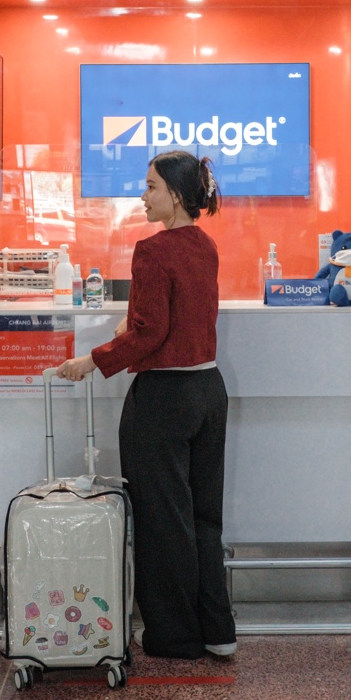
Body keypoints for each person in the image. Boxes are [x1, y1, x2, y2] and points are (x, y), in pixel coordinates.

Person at [56, 150, 236, 661]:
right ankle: (218, 630)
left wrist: (91, 361)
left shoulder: (152, 250)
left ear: (176, 195)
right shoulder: (206, 245)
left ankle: (175, 636)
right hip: (208, 390)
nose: (143, 195)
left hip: (163, 400)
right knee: (204, 518)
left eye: (152, 186)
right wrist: (130, 328)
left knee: (163, 521)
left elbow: (151, 332)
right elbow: (173, 319)